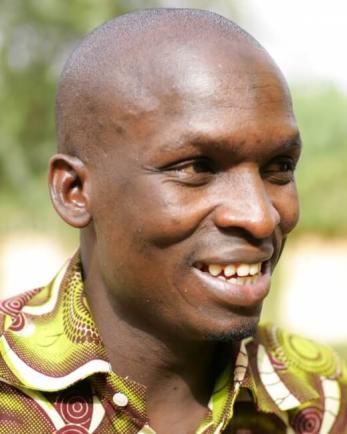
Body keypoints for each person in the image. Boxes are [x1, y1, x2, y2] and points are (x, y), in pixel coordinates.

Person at [0, 8, 346, 434]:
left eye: (279, 167)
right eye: (196, 167)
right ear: (74, 191)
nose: (259, 217)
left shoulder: (319, 394)